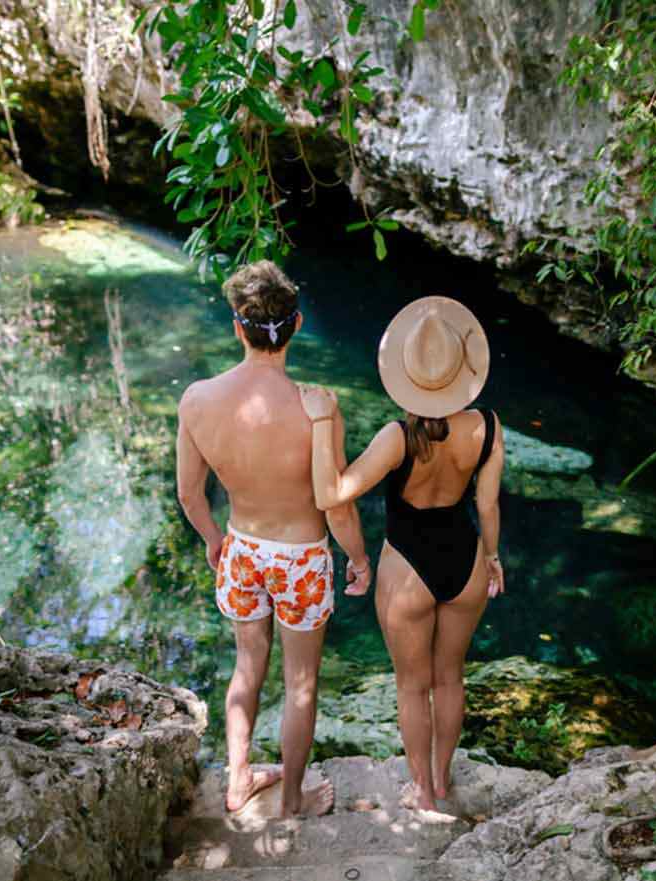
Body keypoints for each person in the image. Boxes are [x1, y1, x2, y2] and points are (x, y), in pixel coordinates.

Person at [175, 260, 373, 817]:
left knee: (247, 665)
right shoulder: (318, 408)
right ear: (298, 325)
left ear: (238, 328)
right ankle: (291, 799)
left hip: (242, 546)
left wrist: (216, 540)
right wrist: (358, 558)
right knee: (301, 683)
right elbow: (334, 504)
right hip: (302, 559)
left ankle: (238, 781)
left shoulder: (197, 400)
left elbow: (190, 496)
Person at [299, 296, 505, 812]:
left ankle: (423, 793)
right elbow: (487, 504)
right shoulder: (488, 427)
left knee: (412, 687)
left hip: (407, 570)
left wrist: (323, 423)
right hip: (466, 563)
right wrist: (494, 558)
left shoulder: (399, 437)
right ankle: (442, 778)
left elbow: (332, 495)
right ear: (462, 371)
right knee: (450, 677)